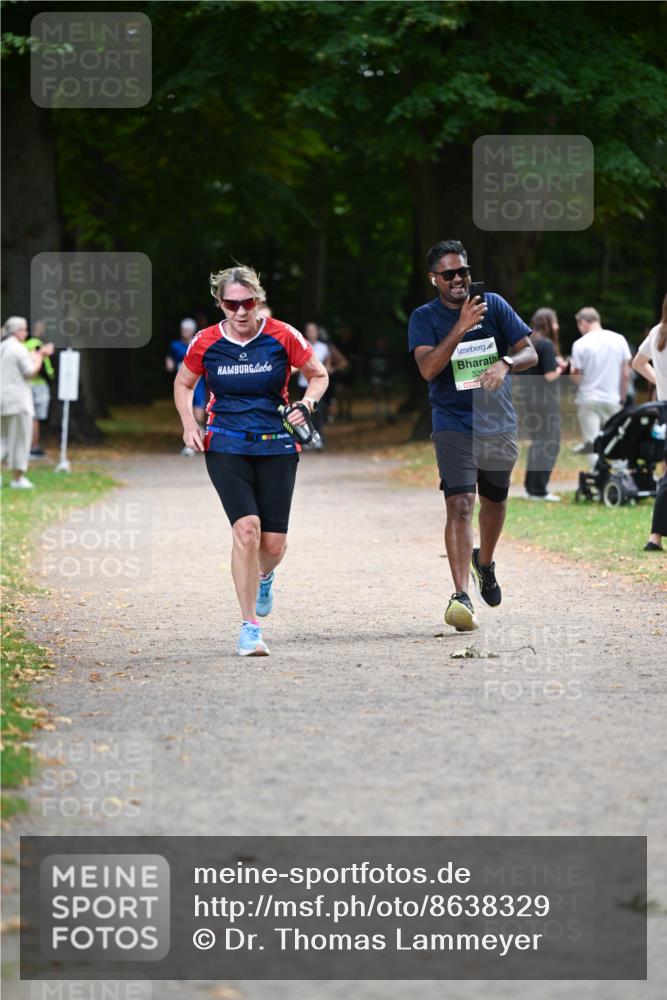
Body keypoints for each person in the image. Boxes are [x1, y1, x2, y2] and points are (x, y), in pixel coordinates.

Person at [173, 265, 329, 656]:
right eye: (232, 304)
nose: (241, 312)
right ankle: (249, 628)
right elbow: (183, 382)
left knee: (273, 545)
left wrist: (306, 405)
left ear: (258, 300)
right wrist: (189, 424)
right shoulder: (206, 342)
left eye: (248, 303)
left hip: (277, 443)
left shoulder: (282, 335)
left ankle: (264, 575)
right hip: (226, 443)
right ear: (220, 304)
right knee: (247, 529)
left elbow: (319, 374)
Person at [408, 239, 537, 632]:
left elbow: (530, 351)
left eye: (463, 271)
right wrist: (461, 325)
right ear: (434, 279)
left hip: (498, 422)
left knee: (494, 502)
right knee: (461, 503)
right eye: (449, 274)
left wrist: (506, 363)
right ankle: (461, 594)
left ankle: (485, 563)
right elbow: (428, 369)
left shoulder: (493, 305)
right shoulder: (424, 318)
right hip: (453, 422)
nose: (459, 279)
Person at [570, 307, 632, 467]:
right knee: (617, 438)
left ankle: (598, 476)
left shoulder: (579, 344)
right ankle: (620, 475)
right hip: (612, 398)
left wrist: (571, 371)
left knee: (592, 440)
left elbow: (577, 378)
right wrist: (622, 398)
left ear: (583, 322)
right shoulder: (619, 339)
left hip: (588, 398)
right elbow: (626, 374)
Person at [631, 294, 667, 552]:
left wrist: (659, 382)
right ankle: (655, 535)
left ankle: (655, 536)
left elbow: (638, 363)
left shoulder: (657, 332)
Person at [1, 316, 54, 488]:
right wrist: (40, 355)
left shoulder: (3, 347)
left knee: (3, 440)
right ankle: (18, 478)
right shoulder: (18, 348)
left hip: (2, 400)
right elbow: (31, 372)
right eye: (24, 329)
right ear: (17, 331)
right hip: (18, 401)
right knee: (21, 440)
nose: (26, 332)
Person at [520, 307, 567, 501]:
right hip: (545, 400)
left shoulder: (527, 342)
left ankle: (532, 488)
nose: (557, 325)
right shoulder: (546, 344)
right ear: (549, 323)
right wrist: (561, 368)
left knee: (539, 442)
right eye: (554, 321)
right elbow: (549, 376)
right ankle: (539, 490)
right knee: (550, 443)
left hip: (529, 399)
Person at [166, 318, 206, 455]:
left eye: (188, 329)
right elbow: (170, 357)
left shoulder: (198, 344)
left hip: (199, 384)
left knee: (199, 415)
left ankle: (199, 438)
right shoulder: (175, 345)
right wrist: (170, 363)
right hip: (183, 383)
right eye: (183, 329)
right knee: (187, 413)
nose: (185, 332)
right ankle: (190, 444)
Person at [24, 319, 54, 458]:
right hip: (36, 385)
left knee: (33, 417)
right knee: (34, 417)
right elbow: (35, 365)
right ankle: (33, 447)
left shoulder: (29, 344)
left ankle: (31, 446)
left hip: (35, 384)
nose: (41, 330)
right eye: (38, 327)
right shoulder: (34, 345)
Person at [297, 322, 330, 444]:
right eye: (308, 331)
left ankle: (319, 437)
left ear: (317, 332)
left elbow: (328, 364)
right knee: (303, 413)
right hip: (303, 384)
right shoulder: (301, 345)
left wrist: (327, 369)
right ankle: (307, 438)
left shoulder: (324, 347)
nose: (311, 333)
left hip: (317, 386)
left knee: (318, 411)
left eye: (313, 331)